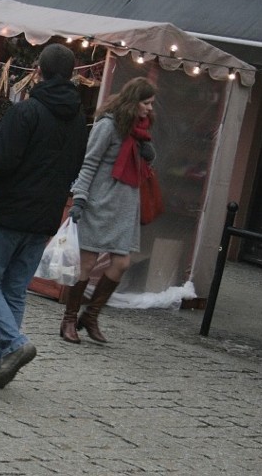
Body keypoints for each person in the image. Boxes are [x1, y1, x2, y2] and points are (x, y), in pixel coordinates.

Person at [0, 43, 87, 389]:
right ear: (70, 74)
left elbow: (2, 161)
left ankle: (15, 343)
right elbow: (75, 166)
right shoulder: (78, 118)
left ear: (39, 70)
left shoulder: (26, 112)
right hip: (46, 213)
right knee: (15, 289)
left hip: (11, 210)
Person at [64, 77, 157, 344]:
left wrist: (150, 154)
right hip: (100, 202)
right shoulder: (108, 125)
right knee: (88, 262)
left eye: (151, 103)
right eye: (146, 102)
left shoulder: (142, 129)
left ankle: (90, 316)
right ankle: (69, 318)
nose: (150, 108)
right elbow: (90, 162)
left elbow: (145, 165)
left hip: (127, 204)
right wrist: (80, 197)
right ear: (133, 101)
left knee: (122, 262)